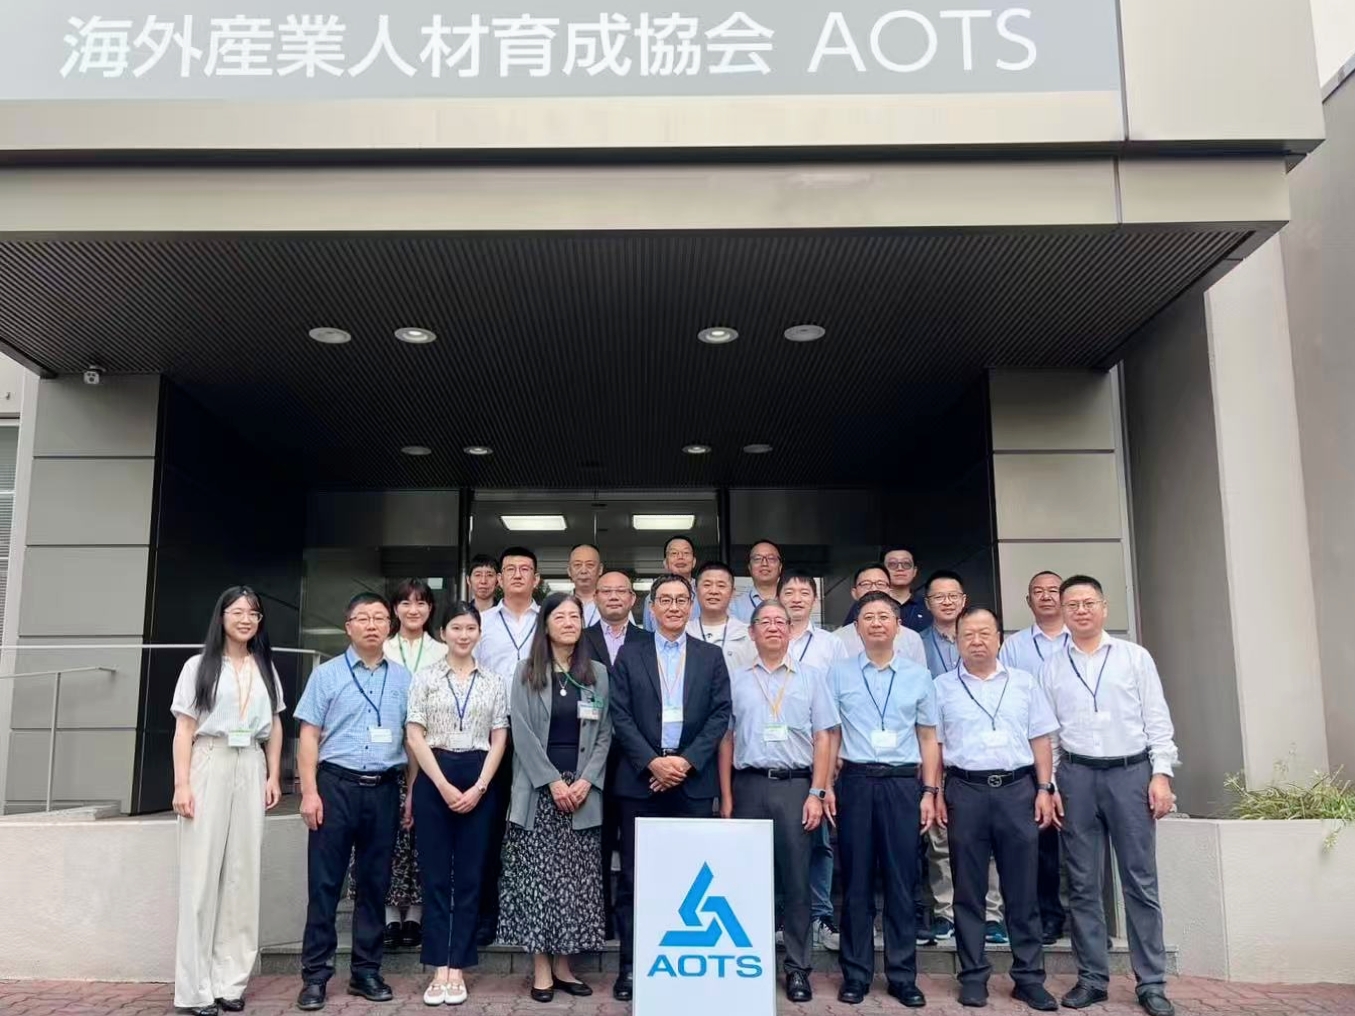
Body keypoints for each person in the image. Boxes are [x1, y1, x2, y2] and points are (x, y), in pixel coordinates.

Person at [1038, 576, 1179, 1016]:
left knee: (1140, 880)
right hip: (1077, 777)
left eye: (1088, 603)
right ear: (1062, 612)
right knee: (1083, 884)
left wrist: (1161, 775)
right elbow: (1050, 735)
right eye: (1072, 604)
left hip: (1130, 773)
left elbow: (1157, 720)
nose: (1081, 611)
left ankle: (1151, 982)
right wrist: (1052, 784)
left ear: (1104, 607)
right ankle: (1092, 979)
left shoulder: (1134, 657)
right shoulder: (1051, 666)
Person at [609, 572, 732, 1001]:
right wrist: (653, 762)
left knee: (690, 878)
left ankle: (681, 964)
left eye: (682, 599)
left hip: (691, 781)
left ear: (691, 606)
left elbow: (720, 714)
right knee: (635, 879)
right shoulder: (630, 654)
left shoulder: (710, 656)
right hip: (640, 781)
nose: (674, 607)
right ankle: (630, 967)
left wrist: (685, 761)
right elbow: (619, 715)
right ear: (653, 607)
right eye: (666, 599)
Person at [935, 607, 1059, 1011]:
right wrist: (934, 792)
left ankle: (1029, 977)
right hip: (965, 790)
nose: (976, 641)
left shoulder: (1024, 683)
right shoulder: (941, 687)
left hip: (1017, 790)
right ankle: (973, 976)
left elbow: (1040, 739)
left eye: (984, 633)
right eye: (968, 634)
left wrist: (1045, 787)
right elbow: (935, 745)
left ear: (1000, 638)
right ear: (956, 640)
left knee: (1022, 889)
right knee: (968, 890)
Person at [171, 586, 286, 1016]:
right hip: (209, 760)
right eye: (237, 612)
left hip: (250, 762)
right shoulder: (197, 666)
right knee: (200, 876)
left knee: (243, 875)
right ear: (221, 617)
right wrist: (182, 784)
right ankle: (194, 990)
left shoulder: (265, 667)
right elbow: (184, 729)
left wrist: (273, 775)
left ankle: (230, 981)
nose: (246, 619)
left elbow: (275, 724)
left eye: (253, 613)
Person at [294, 593, 412, 1012]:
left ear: (390, 627)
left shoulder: (404, 679)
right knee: (325, 885)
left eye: (379, 617)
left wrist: (411, 793)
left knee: (374, 884)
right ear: (348, 627)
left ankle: (366, 971)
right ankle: (315, 976)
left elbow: (412, 739)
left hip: (384, 788)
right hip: (335, 787)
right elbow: (309, 736)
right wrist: (309, 792)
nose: (372, 625)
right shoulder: (326, 675)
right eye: (363, 618)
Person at [719, 599, 836, 1003]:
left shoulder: (812, 678)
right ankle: (749, 963)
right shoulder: (736, 679)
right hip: (748, 785)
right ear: (751, 633)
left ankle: (798, 968)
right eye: (764, 622)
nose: (773, 627)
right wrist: (727, 797)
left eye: (780, 622)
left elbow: (824, 737)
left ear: (790, 630)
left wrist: (817, 793)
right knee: (747, 880)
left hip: (795, 788)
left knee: (797, 882)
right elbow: (726, 739)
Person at [828, 591, 940, 1009]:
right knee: (856, 882)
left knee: (901, 881)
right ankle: (856, 975)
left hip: (902, 785)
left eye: (884, 617)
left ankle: (902, 975)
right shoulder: (838, 674)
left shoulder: (918, 675)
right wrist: (825, 787)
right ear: (857, 628)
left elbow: (928, 737)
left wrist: (930, 791)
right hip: (855, 782)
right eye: (868, 617)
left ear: (898, 625)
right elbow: (830, 735)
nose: (876, 623)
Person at [499, 593, 613, 1002]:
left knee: (575, 885)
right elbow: (521, 731)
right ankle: (542, 969)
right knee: (539, 883)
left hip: (582, 794)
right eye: (559, 616)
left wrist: (586, 781)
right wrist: (552, 782)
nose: (568, 622)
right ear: (545, 625)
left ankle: (564, 966)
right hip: (538, 792)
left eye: (574, 616)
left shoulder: (596, 673)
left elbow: (605, 733)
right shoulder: (527, 670)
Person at [405, 600, 509, 1006]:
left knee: (470, 877)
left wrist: (480, 786)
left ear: (479, 633)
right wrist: (442, 785)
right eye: (456, 628)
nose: (464, 635)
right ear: (443, 633)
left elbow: (500, 737)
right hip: (436, 774)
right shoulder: (425, 677)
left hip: (480, 777)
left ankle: (459, 967)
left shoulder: (494, 681)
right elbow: (415, 734)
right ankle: (437, 967)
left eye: (470, 628)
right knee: (435, 877)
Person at [916, 570, 1005, 945]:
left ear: (964, 599)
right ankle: (946, 912)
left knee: (989, 846)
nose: (947, 602)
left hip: (988, 755)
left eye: (953, 595)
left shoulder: (988, 642)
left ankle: (992, 914)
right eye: (939, 596)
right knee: (941, 842)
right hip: (944, 752)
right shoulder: (917, 643)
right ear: (928, 604)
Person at [358, 578, 439, 950]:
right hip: (386, 755)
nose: (413, 609)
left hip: (430, 754)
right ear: (394, 609)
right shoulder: (381, 647)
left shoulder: (442, 650)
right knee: (387, 836)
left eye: (420, 603)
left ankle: (416, 916)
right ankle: (391, 916)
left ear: (430, 609)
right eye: (405, 603)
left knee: (424, 837)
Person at [999, 570, 1070, 944]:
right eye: (1037, 592)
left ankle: (1087, 919)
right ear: (1028, 601)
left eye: (1053, 590)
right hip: (1034, 753)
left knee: (1081, 841)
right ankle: (1048, 915)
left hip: (1078, 751)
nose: (1046, 596)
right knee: (1042, 843)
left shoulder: (1081, 639)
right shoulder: (1014, 646)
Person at [475, 546, 541, 945]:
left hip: (538, 733)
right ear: (498, 579)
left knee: (534, 826)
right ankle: (486, 915)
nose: (517, 575)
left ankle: (531, 913)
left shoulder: (549, 619)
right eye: (510, 569)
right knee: (488, 826)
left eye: (525, 569)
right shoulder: (480, 623)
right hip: (491, 732)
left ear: (536, 578)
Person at [775, 569, 842, 950]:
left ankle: (820, 914)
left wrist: (830, 769)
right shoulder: (763, 636)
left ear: (814, 601)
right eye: (790, 592)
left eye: (804, 592)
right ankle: (781, 915)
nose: (797, 598)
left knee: (818, 840)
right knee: (778, 844)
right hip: (771, 757)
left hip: (814, 756)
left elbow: (836, 708)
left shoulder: (830, 645)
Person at [581, 570, 647, 940]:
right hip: (593, 754)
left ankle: (635, 922)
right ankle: (600, 920)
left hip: (638, 757)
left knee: (638, 844)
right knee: (598, 841)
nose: (614, 597)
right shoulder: (581, 638)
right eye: (606, 591)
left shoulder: (649, 639)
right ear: (596, 598)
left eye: (621, 591)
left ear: (633, 599)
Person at [835, 564, 927, 668]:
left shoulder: (911, 638)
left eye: (880, 584)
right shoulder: (837, 639)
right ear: (854, 593)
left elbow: (920, 676)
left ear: (890, 592)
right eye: (866, 584)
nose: (874, 589)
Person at [840, 545, 931, 633]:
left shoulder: (927, 605)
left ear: (914, 571)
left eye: (906, 564)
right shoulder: (862, 605)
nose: (900, 568)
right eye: (892, 564)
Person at [687, 560, 754, 671]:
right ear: (696, 590)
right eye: (707, 585)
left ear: (732, 592)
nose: (714, 591)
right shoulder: (685, 632)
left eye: (721, 585)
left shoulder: (748, 634)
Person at [642, 536, 700, 631]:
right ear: (665, 563)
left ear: (694, 562)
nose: (680, 557)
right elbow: (647, 634)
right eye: (674, 553)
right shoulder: (652, 597)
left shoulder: (704, 593)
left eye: (686, 553)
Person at [730, 539, 783, 622]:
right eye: (757, 559)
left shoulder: (791, 601)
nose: (764, 563)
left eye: (771, 558)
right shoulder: (735, 605)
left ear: (780, 567)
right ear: (749, 567)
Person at [568, 543, 604, 627]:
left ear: (600, 569)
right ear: (569, 571)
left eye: (590, 565)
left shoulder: (612, 604)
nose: (583, 571)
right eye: (577, 565)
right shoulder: (559, 606)